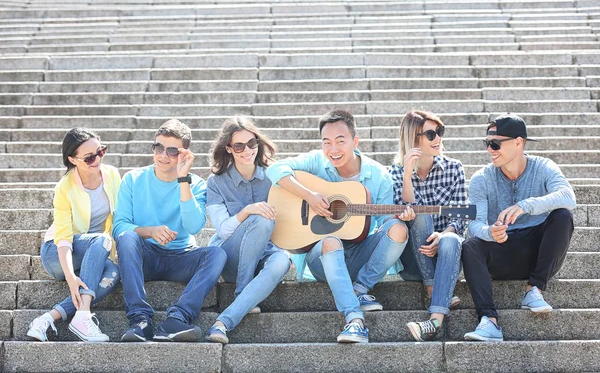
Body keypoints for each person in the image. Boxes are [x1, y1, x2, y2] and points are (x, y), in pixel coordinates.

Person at [266, 110, 409, 344]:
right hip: (322, 258)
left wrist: (401, 216)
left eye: (340, 141)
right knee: (331, 240)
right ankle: (354, 320)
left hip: (361, 256)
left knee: (398, 228)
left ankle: (359, 289)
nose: (333, 149)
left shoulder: (379, 176)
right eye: (327, 142)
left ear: (355, 141)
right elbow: (274, 169)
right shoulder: (315, 161)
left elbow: (385, 225)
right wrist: (310, 196)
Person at [462, 113, 576, 342]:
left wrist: (525, 206)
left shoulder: (543, 167)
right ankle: (489, 321)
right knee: (470, 245)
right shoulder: (481, 178)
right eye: (487, 143)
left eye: (495, 144)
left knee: (563, 216)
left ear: (518, 142)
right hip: (503, 252)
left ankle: (534, 290)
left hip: (540, 254)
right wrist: (489, 233)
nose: (490, 150)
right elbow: (474, 223)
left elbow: (568, 196)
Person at [113, 119, 226, 342]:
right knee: (127, 237)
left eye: (172, 151)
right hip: (144, 257)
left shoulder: (196, 184)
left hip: (181, 258)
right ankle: (140, 320)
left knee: (217, 253)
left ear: (184, 154)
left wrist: (183, 179)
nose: (163, 155)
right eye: (158, 148)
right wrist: (150, 231)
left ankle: (177, 319)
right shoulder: (133, 179)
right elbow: (119, 225)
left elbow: (194, 226)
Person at [28, 128, 121, 342]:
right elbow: (63, 239)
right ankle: (82, 317)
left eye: (100, 152)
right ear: (72, 159)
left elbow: (120, 217)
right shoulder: (65, 187)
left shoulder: (112, 175)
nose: (97, 159)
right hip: (57, 254)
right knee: (100, 239)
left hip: (96, 251)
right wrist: (70, 277)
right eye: (89, 158)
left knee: (112, 274)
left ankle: (49, 317)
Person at [204, 117, 290, 344]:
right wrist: (247, 212)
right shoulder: (216, 182)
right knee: (261, 218)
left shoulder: (274, 176)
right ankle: (243, 291)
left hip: (263, 254)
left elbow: (289, 218)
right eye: (239, 146)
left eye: (251, 143)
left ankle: (223, 323)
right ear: (229, 149)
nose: (246, 150)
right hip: (230, 257)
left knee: (281, 261)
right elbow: (222, 231)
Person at [389, 110, 467, 342]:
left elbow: (461, 216)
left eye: (440, 132)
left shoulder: (454, 168)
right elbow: (403, 213)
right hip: (413, 260)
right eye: (431, 134)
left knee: (452, 239)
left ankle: (434, 320)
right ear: (413, 139)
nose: (438, 139)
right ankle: (436, 290)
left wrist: (443, 236)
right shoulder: (393, 172)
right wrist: (406, 175)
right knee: (418, 215)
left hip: (446, 257)